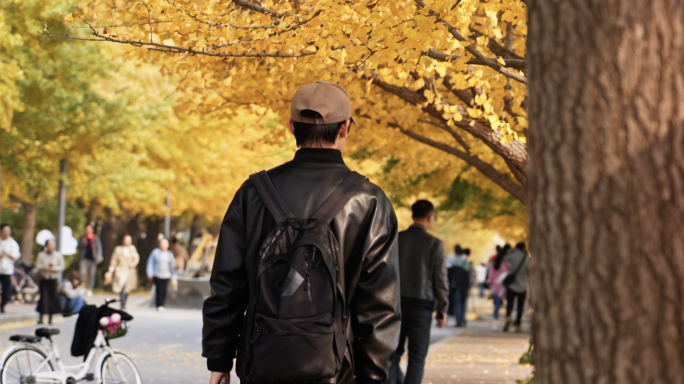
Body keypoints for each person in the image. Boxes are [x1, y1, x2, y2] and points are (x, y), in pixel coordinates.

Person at [202, 81, 401, 384]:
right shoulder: (370, 201)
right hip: (338, 370)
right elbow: (379, 304)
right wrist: (374, 376)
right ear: (345, 128)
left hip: (262, 363)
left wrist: (219, 358)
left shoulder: (253, 193)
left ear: (291, 126)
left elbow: (227, 282)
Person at [388, 200, 448, 384]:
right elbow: (440, 279)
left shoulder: (396, 239)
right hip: (422, 306)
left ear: (413, 215)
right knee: (417, 357)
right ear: (430, 217)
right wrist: (442, 309)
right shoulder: (435, 244)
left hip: (396, 304)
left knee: (393, 354)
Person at [106, 235, 139, 310]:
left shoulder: (132, 248)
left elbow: (136, 257)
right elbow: (113, 260)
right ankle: (122, 302)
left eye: (129, 240)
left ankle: (124, 302)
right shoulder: (118, 249)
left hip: (130, 271)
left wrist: (134, 263)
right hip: (120, 270)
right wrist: (111, 270)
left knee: (127, 288)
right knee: (122, 286)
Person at [36, 239, 65, 324]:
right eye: (50, 245)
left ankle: (50, 318)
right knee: (43, 297)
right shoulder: (41, 255)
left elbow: (62, 267)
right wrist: (44, 267)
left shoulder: (58, 255)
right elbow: (37, 265)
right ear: (46, 246)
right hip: (44, 278)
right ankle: (41, 317)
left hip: (53, 279)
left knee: (52, 298)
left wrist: (54, 268)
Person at [504, 242, 529, 333]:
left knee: (509, 304)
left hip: (511, 284)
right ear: (523, 248)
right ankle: (517, 325)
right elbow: (529, 270)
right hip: (522, 286)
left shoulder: (511, 256)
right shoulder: (525, 257)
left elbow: (506, 260)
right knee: (520, 306)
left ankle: (508, 317)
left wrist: (510, 251)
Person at [146, 238, 177, 312]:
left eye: (165, 243)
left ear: (168, 245)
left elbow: (172, 266)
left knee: (164, 290)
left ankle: (162, 304)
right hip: (157, 274)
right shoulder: (155, 252)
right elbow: (150, 263)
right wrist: (149, 273)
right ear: (159, 244)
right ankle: (159, 305)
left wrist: (174, 276)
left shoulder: (170, 254)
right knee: (159, 289)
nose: (163, 245)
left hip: (166, 275)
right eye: (162, 243)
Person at [78, 224, 102, 297]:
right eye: (86, 229)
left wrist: (98, 258)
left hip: (93, 259)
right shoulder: (83, 237)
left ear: (92, 230)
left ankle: (89, 289)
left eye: (89, 229)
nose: (87, 230)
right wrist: (82, 244)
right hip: (84, 258)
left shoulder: (96, 238)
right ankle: (84, 287)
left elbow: (99, 248)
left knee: (91, 274)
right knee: (82, 273)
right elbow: (78, 247)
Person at [487, 246, 509, 327]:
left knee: (496, 305)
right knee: (507, 305)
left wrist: (490, 285)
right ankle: (507, 320)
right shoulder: (506, 263)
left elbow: (490, 275)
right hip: (504, 287)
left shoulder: (495, 262)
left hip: (495, 287)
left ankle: (495, 322)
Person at [0, 224, 20, 313]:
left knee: (6, 289)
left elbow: (17, 255)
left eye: (9, 230)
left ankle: (3, 305)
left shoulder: (12, 243)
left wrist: (7, 254)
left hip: (7, 270)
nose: (7, 232)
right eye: (5, 230)